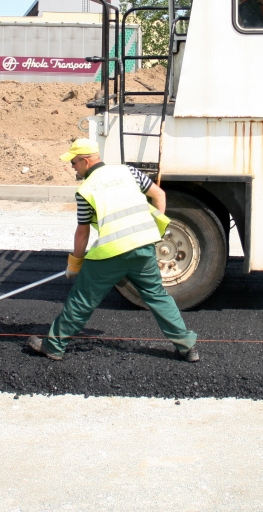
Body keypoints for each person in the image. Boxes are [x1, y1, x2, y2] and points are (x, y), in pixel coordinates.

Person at [27, 139, 200, 362]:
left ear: (86, 160)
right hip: (143, 247)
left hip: (112, 253)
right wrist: (155, 231)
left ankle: (54, 345)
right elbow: (160, 195)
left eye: (74, 162)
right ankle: (187, 346)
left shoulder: (85, 190)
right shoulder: (128, 171)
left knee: (82, 299)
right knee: (157, 296)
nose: (72, 166)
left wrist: (74, 264)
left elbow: (82, 233)